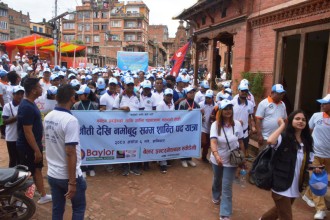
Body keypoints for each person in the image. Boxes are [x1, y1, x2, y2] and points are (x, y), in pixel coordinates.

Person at [260, 110, 313, 220]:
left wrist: (315, 169)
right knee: (286, 217)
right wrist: (282, 126)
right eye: (297, 119)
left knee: (277, 211)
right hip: (281, 184)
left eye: (303, 120)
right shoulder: (283, 137)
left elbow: (307, 163)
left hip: (295, 185)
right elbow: (270, 141)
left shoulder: (307, 141)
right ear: (291, 120)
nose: (301, 121)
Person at [44, 84, 86, 220]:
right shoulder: (70, 120)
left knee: (57, 210)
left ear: (56, 98)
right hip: (67, 176)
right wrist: (72, 182)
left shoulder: (48, 117)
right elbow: (70, 151)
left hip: (53, 173)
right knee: (78, 209)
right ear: (73, 99)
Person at [17, 77, 52, 204]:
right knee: (28, 173)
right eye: (38, 87)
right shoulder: (26, 107)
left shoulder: (30, 104)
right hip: (28, 147)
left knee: (37, 169)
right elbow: (27, 131)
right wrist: (36, 150)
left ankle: (43, 195)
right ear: (33, 90)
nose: (41, 88)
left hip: (34, 145)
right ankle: (23, 201)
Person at [209, 99, 244, 220]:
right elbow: (213, 142)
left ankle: (225, 213)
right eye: (225, 109)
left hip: (231, 161)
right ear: (221, 111)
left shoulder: (238, 124)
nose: (228, 111)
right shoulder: (215, 125)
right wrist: (216, 155)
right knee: (217, 179)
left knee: (227, 186)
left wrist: (242, 158)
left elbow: (241, 141)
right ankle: (215, 195)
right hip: (217, 159)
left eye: (230, 108)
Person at [302, 94, 330, 220]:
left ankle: (308, 194)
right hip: (316, 154)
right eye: (322, 103)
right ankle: (321, 209)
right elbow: (308, 132)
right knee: (318, 181)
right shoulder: (316, 116)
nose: (322, 105)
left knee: (323, 181)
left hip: (329, 156)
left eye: (325, 103)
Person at [113, 76, 143, 176]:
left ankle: (134, 166)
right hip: (122, 127)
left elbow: (143, 111)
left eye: (131, 85)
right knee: (122, 145)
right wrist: (122, 108)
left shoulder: (138, 96)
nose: (130, 86)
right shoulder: (120, 96)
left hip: (135, 127)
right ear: (124, 85)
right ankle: (124, 166)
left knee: (135, 145)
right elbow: (112, 111)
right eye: (128, 85)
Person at [72, 85, 98, 177]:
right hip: (80, 132)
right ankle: (82, 168)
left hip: (91, 132)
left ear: (87, 95)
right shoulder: (76, 105)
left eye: (81, 94)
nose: (79, 96)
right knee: (81, 149)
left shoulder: (94, 105)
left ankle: (91, 167)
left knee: (91, 148)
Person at [256, 84, 287, 152]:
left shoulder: (283, 104)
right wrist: (259, 135)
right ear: (272, 93)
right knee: (263, 159)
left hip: (278, 138)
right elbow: (258, 120)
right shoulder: (263, 103)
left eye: (282, 93)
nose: (281, 95)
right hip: (265, 138)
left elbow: (285, 120)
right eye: (279, 93)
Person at [2, 85, 24, 167]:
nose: (20, 96)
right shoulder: (8, 106)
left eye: (22, 94)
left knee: (21, 158)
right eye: (17, 94)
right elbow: (5, 121)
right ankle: (11, 177)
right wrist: (17, 117)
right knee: (13, 158)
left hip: (21, 137)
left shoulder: (24, 105)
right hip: (11, 136)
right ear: (13, 94)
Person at [178, 86, 200, 168]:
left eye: (193, 92)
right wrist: (187, 113)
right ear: (186, 94)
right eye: (190, 93)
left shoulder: (197, 104)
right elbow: (179, 116)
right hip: (184, 127)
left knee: (191, 142)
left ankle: (189, 158)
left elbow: (199, 117)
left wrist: (201, 114)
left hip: (193, 128)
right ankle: (183, 159)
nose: (192, 94)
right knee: (184, 142)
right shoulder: (183, 104)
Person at [156, 88, 175, 174]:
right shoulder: (160, 104)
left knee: (168, 144)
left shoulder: (172, 104)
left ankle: (164, 160)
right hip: (162, 127)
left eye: (170, 95)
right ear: (164, 95)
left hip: (170, 127)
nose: (169, 97)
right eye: (167, 95)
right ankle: (162, 163)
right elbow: (158, 118)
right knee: (162, 145)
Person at [199, 89, 215, 162]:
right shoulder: (201, 104)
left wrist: (214, 118)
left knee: (207, 144)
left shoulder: (216, 106)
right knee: (203, 141)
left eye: (209, 98)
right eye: (206, 97)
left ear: (212, 98)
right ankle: (194, 150)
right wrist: (200, 116)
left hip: (211, 127)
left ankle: (204, 157)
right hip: (202, 126)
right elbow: (195, 114)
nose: (207, 99)